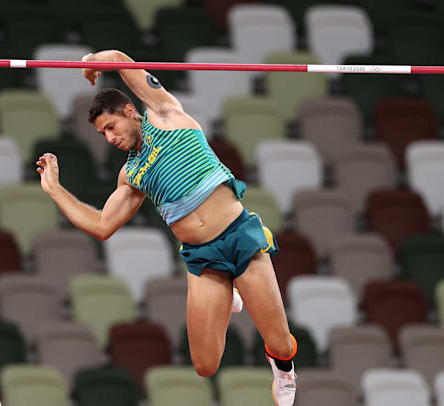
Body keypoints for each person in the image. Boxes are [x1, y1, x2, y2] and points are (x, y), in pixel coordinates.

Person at [35, 49, 297, 405]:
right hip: (203, 258)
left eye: (110, 127)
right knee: (205, 365)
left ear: (129, 112)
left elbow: (121, 61)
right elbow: (101, 226)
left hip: (240, 237)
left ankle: (283, 370)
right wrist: (54, 189)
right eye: (102, 134)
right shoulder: (131, 174)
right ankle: (229, 293)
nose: (109, 138)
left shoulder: (164, 114)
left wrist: (93, 61)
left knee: (281, 343)